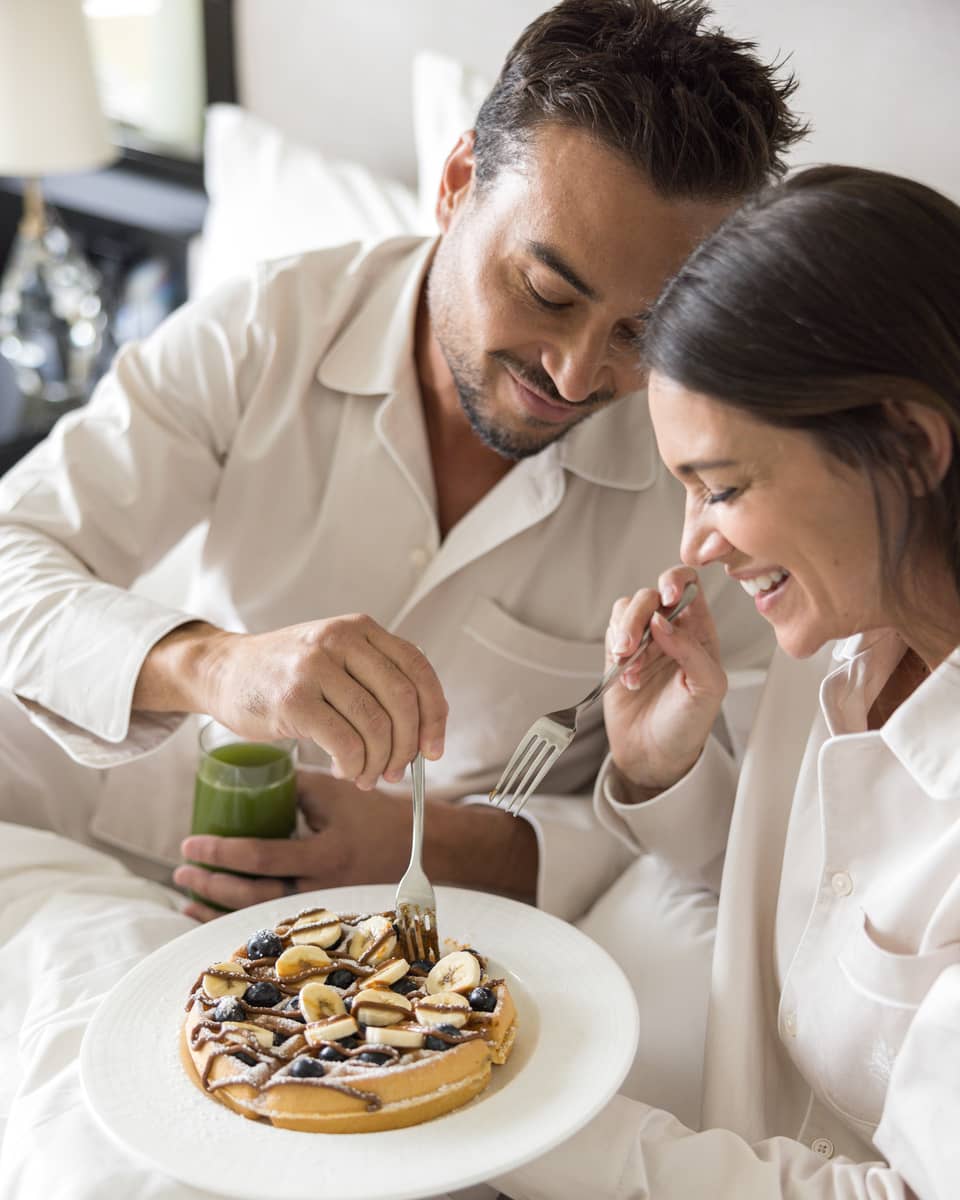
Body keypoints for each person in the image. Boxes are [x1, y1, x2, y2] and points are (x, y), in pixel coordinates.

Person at [0, 0, 793, 928]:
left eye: (640, 330)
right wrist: (213, 666)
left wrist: (453, 846)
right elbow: (14, 556)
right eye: (544, 292)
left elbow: (752, 828)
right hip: (143, 862)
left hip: (445, 936)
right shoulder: (266, 327)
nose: (578, 374)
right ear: (457, 183)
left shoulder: (708, 481)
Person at [497, 164, 960, 1199]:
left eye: (726, 487)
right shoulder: (846, 630)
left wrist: (500, 1114)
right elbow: (817, 906)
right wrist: (663, 767)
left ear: (910, 447)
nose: (695, 545)